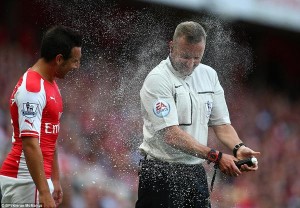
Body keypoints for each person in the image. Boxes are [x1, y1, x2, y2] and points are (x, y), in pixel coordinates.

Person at [135, 21, 260, 208]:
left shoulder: (209, 75)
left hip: (195, 172)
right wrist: (216, 157)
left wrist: (238, 147)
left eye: (197, 57)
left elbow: (222, 125)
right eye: (185, 56)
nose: (191, 63)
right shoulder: (158, 79)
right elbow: (171, 135)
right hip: (160, 173)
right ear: (172, 46)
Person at [0, 25, 82, 208]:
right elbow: (30, 143)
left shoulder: (50, 84)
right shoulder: (33, 89)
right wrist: (44, 191)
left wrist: (55, 178)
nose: (77, 66)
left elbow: (49, 135)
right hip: (26, 180)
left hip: (35, 180)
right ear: (59, 59)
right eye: (75, 61)